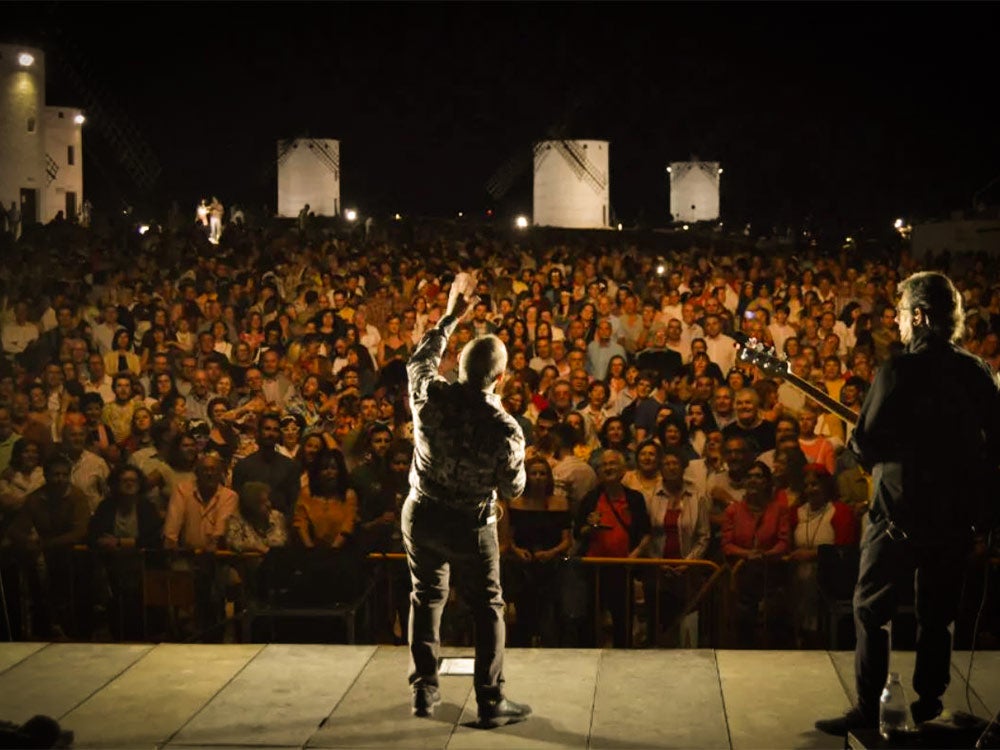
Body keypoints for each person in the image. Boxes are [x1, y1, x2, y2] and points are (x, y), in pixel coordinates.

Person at [816, 271, 1000, 737]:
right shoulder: (977, 371)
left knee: (870, 609)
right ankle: (929, 703)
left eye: (901, 313)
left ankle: (868, 707)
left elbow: (866, 444)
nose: (898, 322)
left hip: (896, 515)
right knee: (937, 614)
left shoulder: (898, 370)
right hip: (954, 520)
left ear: (918, 316)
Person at [402, 280, 531, 727]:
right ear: (501, 377)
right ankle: (490, 700)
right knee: (488, 606)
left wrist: (451, 316)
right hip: (471, 525)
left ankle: (424, 691)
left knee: (425, 597)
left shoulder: (429, 394)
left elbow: (419, 359)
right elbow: (514, 489)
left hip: (422, 512)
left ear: (458, 366)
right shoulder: (505, 428)